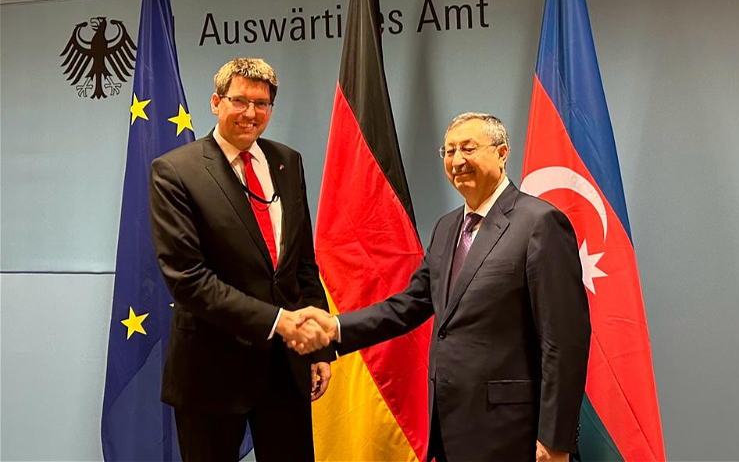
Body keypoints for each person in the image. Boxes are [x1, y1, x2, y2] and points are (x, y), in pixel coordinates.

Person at [296, 113, 590, 462]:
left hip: (511, 432)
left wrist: (555, 439)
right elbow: (408, 306)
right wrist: (335, 328)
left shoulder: (540, 222)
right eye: (449, 151)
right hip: (448, 428)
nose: (457, 160)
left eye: (469, 148)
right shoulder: (447, 228)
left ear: (502, 153)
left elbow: (564, 341)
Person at [149, 57, 334, 462]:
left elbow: (302, 264)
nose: (251, 113)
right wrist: (277, 321)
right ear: (216, 102)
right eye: (240, 101)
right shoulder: (175, 171)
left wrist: (318, 348)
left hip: (285, 369)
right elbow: (188, 279)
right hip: (210, 371)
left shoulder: (288, 161)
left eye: (262, 104)